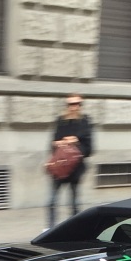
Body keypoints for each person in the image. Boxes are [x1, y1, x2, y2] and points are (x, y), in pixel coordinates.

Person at [47, 94, 93, 228]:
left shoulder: (85, 122)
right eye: (70, 104)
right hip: (59, 168)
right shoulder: (61, 121)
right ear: (67, 106)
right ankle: (50, 229)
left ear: (80, 106)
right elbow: (52, 143)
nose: (73, 107)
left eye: (77, 104)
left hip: (75, 169)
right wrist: (59, 143)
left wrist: (76, 141)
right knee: (51, 202)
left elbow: (90, 149)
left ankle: (74, 230)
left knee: (74, 203)